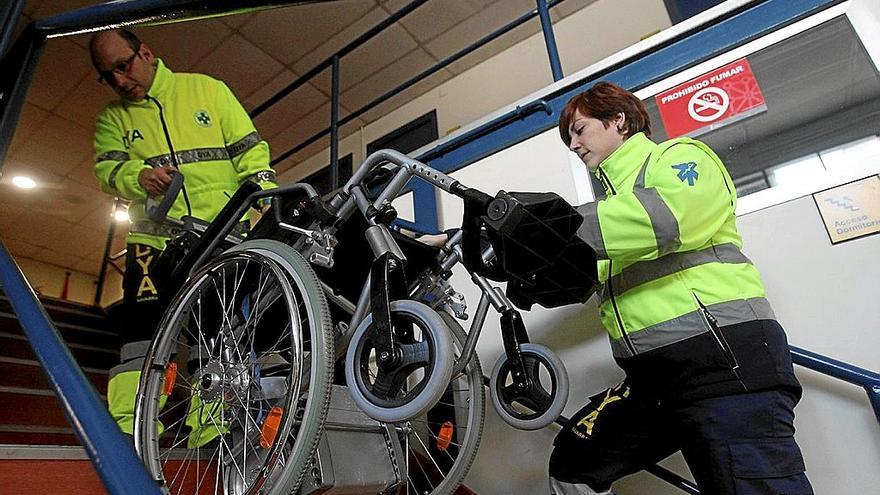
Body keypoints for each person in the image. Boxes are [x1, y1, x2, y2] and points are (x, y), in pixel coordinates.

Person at [548, 82, 813, 495]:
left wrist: (546, 227)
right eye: (569, 138)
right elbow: (574, 277)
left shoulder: (677, 158)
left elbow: (667, 218)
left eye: (579, 130)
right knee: (573, 465)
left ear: (617, 119)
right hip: (652, 380)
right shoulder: (607, 212)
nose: (573, 144)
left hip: (723, 362)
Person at [90, 29, 277, 443]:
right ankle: (129, 428)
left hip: (219, 238)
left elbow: (250, 149)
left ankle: (209, 430)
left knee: (214, 333)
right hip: (153, 239)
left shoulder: (207, 90)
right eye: (108, 75)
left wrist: (263, 190)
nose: (119, 81)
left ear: (146, 53)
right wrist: (138, 176)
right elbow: (107, 171)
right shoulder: (112, 119)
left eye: (123, 66)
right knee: (140, 334)